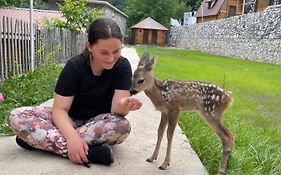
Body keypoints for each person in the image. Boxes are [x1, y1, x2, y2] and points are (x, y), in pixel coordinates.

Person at [7, 18, 142, 167]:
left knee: (122, 126)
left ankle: (41, 140)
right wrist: (71, 138)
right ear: (89, 46)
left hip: (99, 122)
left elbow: (117, 110)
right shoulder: (75, 66)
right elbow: (59, 110)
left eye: (116, 51)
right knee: (17, 116)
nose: (111, 59)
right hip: (68, 120)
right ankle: (90, 153)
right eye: (104, 52)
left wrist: (125, 104)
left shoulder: (123, 66)